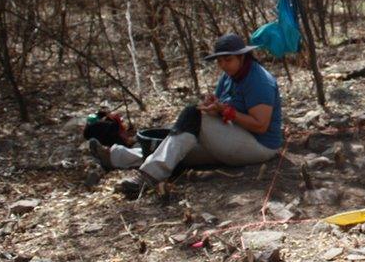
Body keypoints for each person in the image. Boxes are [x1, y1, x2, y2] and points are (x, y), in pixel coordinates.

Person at [89, 33, 283, 195]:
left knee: (192, 115)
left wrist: (225, 111)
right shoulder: (229, 76)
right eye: (220, 61)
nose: (224, 65)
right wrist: (214, 107)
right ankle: (116, 157)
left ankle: (148, 176)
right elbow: (223, 108)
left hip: (260, 147)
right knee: (177, 150)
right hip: (235, 137)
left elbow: (260, 125)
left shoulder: (259, 80)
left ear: (242, 57)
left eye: (228, 60)